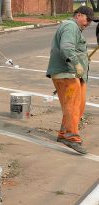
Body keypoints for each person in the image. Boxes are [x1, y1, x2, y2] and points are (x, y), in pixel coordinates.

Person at [46, 6, 98, 154]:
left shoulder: (74, 28)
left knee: (77, 106)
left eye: (91, 21)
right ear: (78, 15)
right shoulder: (70, 26)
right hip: (66, 73)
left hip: (73, 74)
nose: (88, 23)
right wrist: (76, 64)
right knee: (73, 106)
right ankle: (71, 137)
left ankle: (63, 134)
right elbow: (66, 48)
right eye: (87, 19)